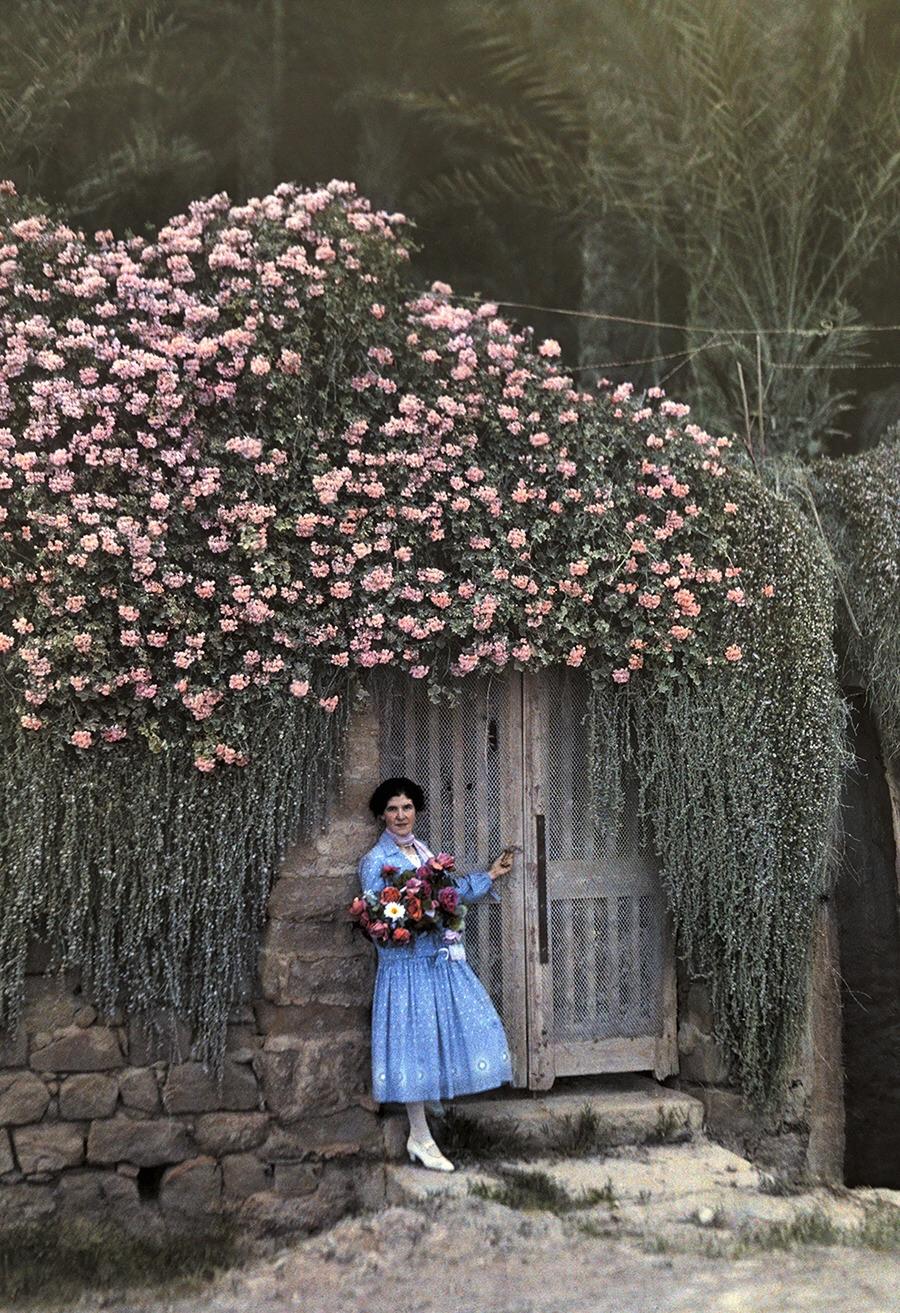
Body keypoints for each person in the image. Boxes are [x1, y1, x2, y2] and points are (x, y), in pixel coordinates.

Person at [358, 776, 514, 1171]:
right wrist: (416, 921)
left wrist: (489, 876)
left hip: (434, 960)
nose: (400, 815)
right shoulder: (377, 861)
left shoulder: (422, 852)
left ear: (416, 811)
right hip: (406, 968)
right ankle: (420, 1138)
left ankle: (430, 1107)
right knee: (414, 1045)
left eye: (407, 807)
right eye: (392, 809)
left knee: (454, 1029)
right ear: (381, 815)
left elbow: (447, 893)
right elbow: (381, 917)